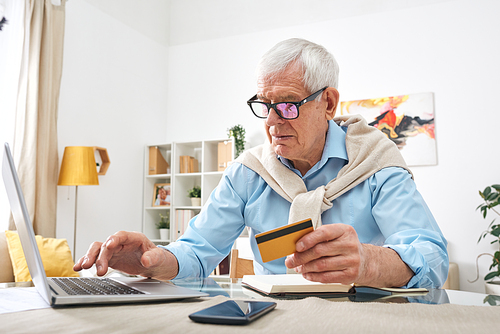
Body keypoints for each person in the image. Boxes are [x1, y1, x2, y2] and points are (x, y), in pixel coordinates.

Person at [74, 38, 448, 288]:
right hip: (273, 318)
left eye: (287, 104)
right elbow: (197, 250)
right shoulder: (248, 172)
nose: (270, 122)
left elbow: (432, 257)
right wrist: (151, 260)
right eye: (264, 106)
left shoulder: (376, 163)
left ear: (329, 104)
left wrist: (370, 263)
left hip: (365, 315)